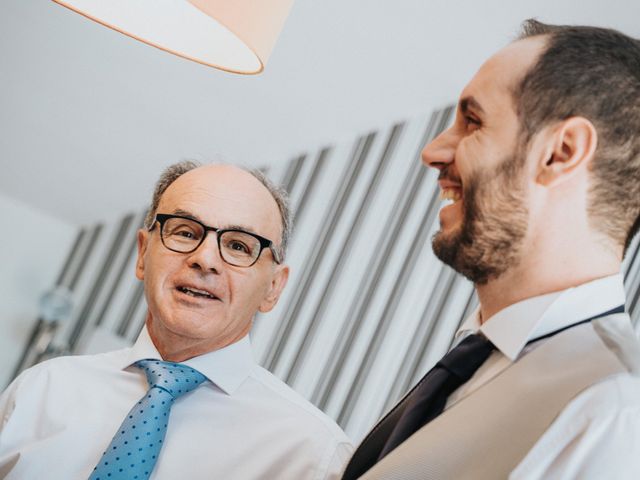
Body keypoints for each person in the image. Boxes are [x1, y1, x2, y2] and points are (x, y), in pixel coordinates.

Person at [342, 19, 640, 480]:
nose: (434, 151)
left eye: (472, 122)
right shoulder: (475, 360)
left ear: (560, 152)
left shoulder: (613, 412)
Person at [0, 162, 352, 479]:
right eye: (185, 232)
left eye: (240, 246)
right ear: (142, 254)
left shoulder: (316, 457)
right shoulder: (41, 389)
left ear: (273, 288)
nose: (205, 259)